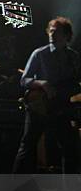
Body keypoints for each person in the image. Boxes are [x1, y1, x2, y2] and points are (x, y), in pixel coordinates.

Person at [13, 16, 80, 174]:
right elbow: (24, 80)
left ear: (66, 35)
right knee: (28, 146)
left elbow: (74, 83)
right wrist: (42, 83)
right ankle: (17, 189)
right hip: (39, 108)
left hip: (60, 107)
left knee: (70, 147)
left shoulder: (73, 57)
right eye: (50, 31)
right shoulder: (39, 54)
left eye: (56, 31)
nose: (51, 34)